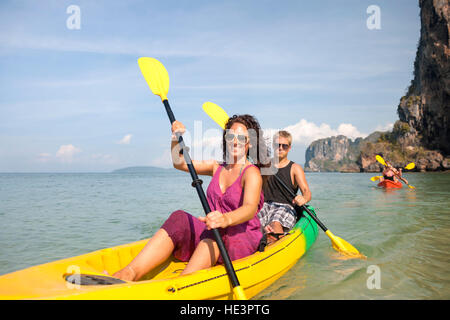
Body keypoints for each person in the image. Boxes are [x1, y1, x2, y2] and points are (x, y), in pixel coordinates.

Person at [111, 114, 270, 281]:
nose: (235, 141)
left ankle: (181, 284)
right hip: (214, 232)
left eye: (241, 137)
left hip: (239, 240)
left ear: (250, 142)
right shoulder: (216, 167)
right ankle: (129, 273)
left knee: (214, 236)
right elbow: (178, 162)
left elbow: (250, 207)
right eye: (231, 136)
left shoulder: (251, 172)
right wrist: (175, 138)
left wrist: (225, 219)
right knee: (179, 218)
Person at [257, 130, 312, 244]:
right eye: (277, 145)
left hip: (284, 207)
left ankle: (276, 246)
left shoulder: (295, 168)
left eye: (284, 146)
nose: (280, 148)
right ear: (273, 146)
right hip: (264, 205)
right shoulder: (264, 165)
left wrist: (304, 198)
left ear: (289, 148)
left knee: (275, 223)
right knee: (252, 222)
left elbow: (307, 192)